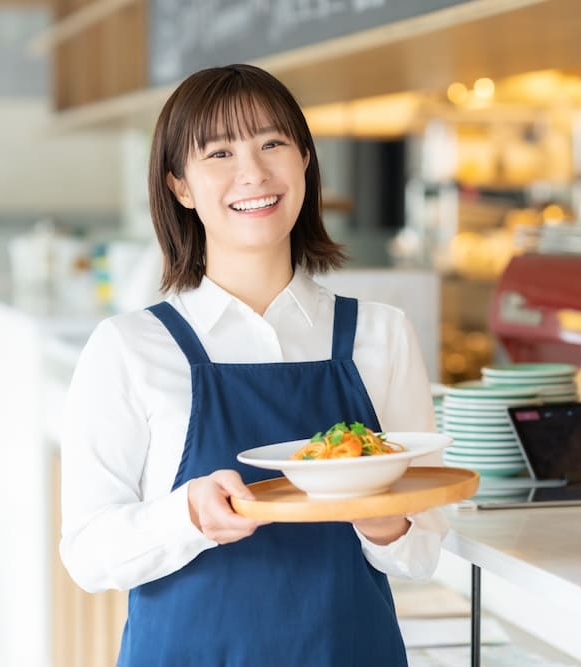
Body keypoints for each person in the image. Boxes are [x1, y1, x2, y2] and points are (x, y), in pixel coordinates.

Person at [60, 63, 447, 666]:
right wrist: (187, 514)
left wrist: (385, 519)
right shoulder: (130, 348)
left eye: (273, 143)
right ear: (180, 186)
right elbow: (87, 555)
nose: (253, 173)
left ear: (305, 162)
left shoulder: (381, 334)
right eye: (218, 153)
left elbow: (423, 554)